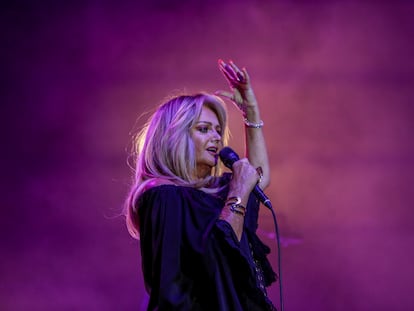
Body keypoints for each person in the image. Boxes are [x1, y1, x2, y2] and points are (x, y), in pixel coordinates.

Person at [125, 60, 277, 310]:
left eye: (218, 130)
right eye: (204, 129)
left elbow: (256, 177)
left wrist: (250, 112)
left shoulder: (214, 192)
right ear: (173, 137)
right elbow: (212, 260)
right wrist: (238, 192)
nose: (217, 137)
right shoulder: (162, 196)